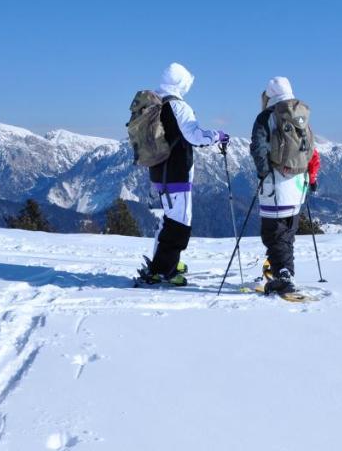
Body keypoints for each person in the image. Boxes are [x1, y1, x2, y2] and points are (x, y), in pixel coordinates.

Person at [137, 62, 228, 286]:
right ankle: (164, 270)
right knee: (179, 223)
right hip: (177, 172)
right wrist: (217, 136)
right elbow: (195, 136)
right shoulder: (178, 106)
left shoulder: (154, 104)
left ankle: (165, 261)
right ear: (180, 82)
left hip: (159, 171)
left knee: (169, 220)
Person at [250, 76, 320, 295]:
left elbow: (258, 148)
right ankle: (283, 269)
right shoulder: (301, 116)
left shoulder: (267, 117)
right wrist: (311, 179)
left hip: (276, 183)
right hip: (299, 183)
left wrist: (264, 174)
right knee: (287, 232)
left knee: (273, 233)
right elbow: (311, 151)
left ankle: (283, 274)